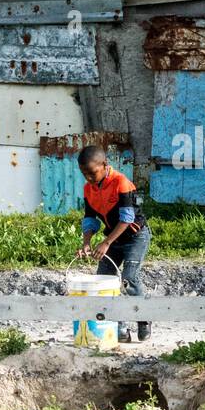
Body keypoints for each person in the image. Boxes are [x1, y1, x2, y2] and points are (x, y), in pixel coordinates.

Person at [76, 145, 151, 342]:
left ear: (104, 165)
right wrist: (86, 242)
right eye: (84, 174)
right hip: (113, 238)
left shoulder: (121, 183)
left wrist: (106, 243)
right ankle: (119, 328)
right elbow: (90, 218)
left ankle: (144, 319)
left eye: (92, 173)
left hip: (135, 236)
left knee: (128, 278)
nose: (89, 178)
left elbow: (127, 219)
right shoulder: (88, 189)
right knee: (103, 280)